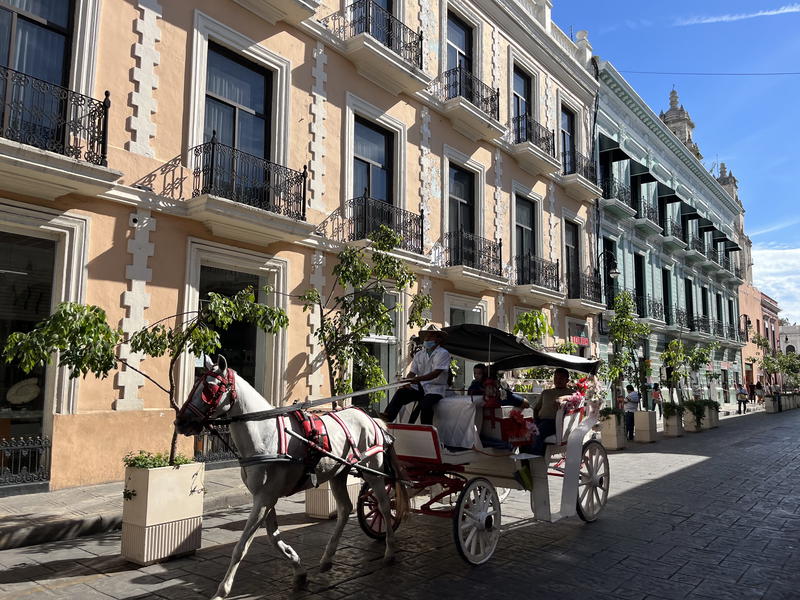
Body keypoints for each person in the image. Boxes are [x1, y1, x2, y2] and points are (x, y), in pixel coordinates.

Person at [380, 324, 451, 425]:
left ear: (438, 339)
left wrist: (417, 379)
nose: (427, 338)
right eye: (426, 336)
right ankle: (387, 418)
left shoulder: (443, 353)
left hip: (436, 390)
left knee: (425, 405)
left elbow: (435, 374)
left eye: (431, 336)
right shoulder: (419, 354)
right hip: (421, 388)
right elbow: (412, 373)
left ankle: (427, 429)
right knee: (401, 393)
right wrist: (408, 381)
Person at [521, 367, 572, 456]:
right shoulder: (546, 392)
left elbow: (576, 397)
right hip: (540, 421)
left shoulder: (571, 392)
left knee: (538, 433)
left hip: (555, 423)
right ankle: (525, 463)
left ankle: (536, 459)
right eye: (556, 378)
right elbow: (536, 409)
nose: (557, 380)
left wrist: (562, 398)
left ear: (567, 380)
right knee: (522, 433)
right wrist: (535, 421)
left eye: (561, 378)